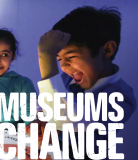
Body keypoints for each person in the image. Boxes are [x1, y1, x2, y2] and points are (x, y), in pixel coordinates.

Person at [32, 6, 137, 160]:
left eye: (71, 56)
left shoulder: (122, 98)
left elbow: (69, 119)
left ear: (107, 50)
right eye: (58, 59)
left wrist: (46, 58)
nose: (64, 66)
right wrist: (40, 118)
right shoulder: (69, 78)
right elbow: (43, 102)